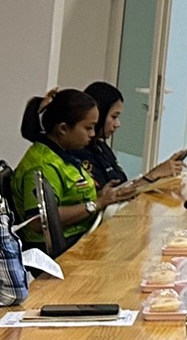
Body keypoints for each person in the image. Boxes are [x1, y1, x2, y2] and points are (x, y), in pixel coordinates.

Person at [14, 89, 138, 242]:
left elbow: (72, 199)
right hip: (61, 245)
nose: (93, 134)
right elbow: (39, 221)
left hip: (81, 233)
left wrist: (101, 195)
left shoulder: (64, 154)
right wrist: (97, 203)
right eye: (88, 128)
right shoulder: (42, 164)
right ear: (63, 129)